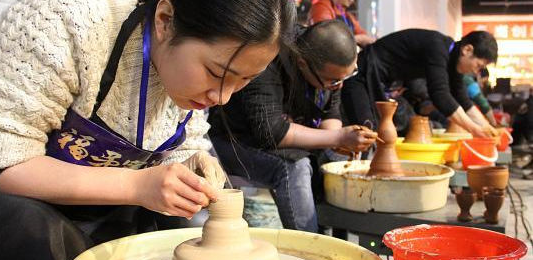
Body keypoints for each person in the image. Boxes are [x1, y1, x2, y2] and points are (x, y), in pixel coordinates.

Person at [0, 0, 295, 260]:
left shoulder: (190, 68)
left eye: (244, 81)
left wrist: (194, 163)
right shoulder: (59, 24)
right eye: (216, 74)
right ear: (166, 20)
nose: (222, 97)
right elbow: (2, 159)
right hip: (21, 215)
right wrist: (136, 186)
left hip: (109, 208)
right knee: (29, 240)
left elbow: (183, 137)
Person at [209, 20, 377, 233]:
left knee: (337, 160)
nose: (339, 86)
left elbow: (330, 111)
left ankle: (338, 240)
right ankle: (311, 247)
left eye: (346, 77)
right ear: (302, 64)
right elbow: (272, 132)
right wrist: (338, 138)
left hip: (284, 134)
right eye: (333, 81)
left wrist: (339, 143)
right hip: (234, 139)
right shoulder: (268, 56)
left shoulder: (325, 63)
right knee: (294, 167)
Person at [341, 29, 499, 138]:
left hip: (382, 81)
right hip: (364, 73)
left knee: (379, 133)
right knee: (366, 131)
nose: (477, 72)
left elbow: (463, 100)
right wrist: (474, 129)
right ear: (467, 50)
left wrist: (488, 128)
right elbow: (440, 96)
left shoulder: (452, 60)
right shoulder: (438, 47)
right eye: (479, 66)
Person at [311, 0, 375, 48]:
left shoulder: (346, 14)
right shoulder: (321, 6)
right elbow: (327, 38)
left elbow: (363, 35)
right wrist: (357, 39)